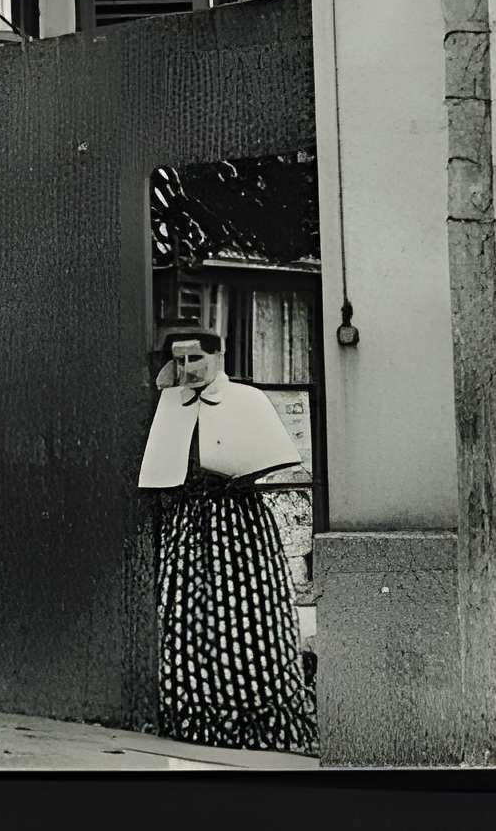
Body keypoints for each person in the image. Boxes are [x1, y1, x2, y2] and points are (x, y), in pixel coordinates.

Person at [141, 324, 318, 755]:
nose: (188, 368)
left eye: (196, 358)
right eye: (181, 360)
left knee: (244, 610)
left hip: (237, 521)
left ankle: (251, 714)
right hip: (187, 521)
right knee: (184, 611)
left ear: (218, 357)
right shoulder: (171, 403)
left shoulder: (247, 399)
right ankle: (194, 713)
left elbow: (269, 458)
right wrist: (168, 376)